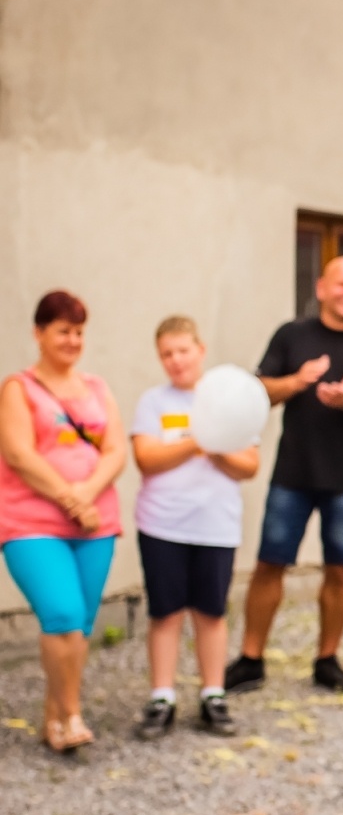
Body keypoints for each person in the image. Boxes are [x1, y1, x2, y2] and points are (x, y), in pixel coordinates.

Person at [224, 256, 343, 695]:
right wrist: (297, 382)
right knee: (270, 565)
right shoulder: (293, 335)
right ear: (322, 288)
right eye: (340, 283)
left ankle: (327, 659)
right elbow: (259, 393)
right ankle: (251, 658)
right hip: (292, 473)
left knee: (340, 571)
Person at [0, 290, 127, 754]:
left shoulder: (96, 387)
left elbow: (116, 450)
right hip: (32, 523)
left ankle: (54, 718)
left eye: (78, 332)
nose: (72, 340)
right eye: (62, 331)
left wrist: (87, 497)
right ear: (39, 333)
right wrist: (72, 498)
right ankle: (72, 714)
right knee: (61, 614)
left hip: (95, 524)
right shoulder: (18, 387)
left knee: (81, 625)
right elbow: (18, 453)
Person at [130, 317, 260, 739]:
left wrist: (215, 447)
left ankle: (212, 694)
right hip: (162, 524)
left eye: (182, 350)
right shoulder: (153, 402)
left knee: (211, 611)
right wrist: (200, 441)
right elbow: (147, 458)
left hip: (215, 527)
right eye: (166, 354)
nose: (175, 360)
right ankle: (162, 696)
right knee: (165, 613)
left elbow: (249, 464)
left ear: (200, 350)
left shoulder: (226, 398)